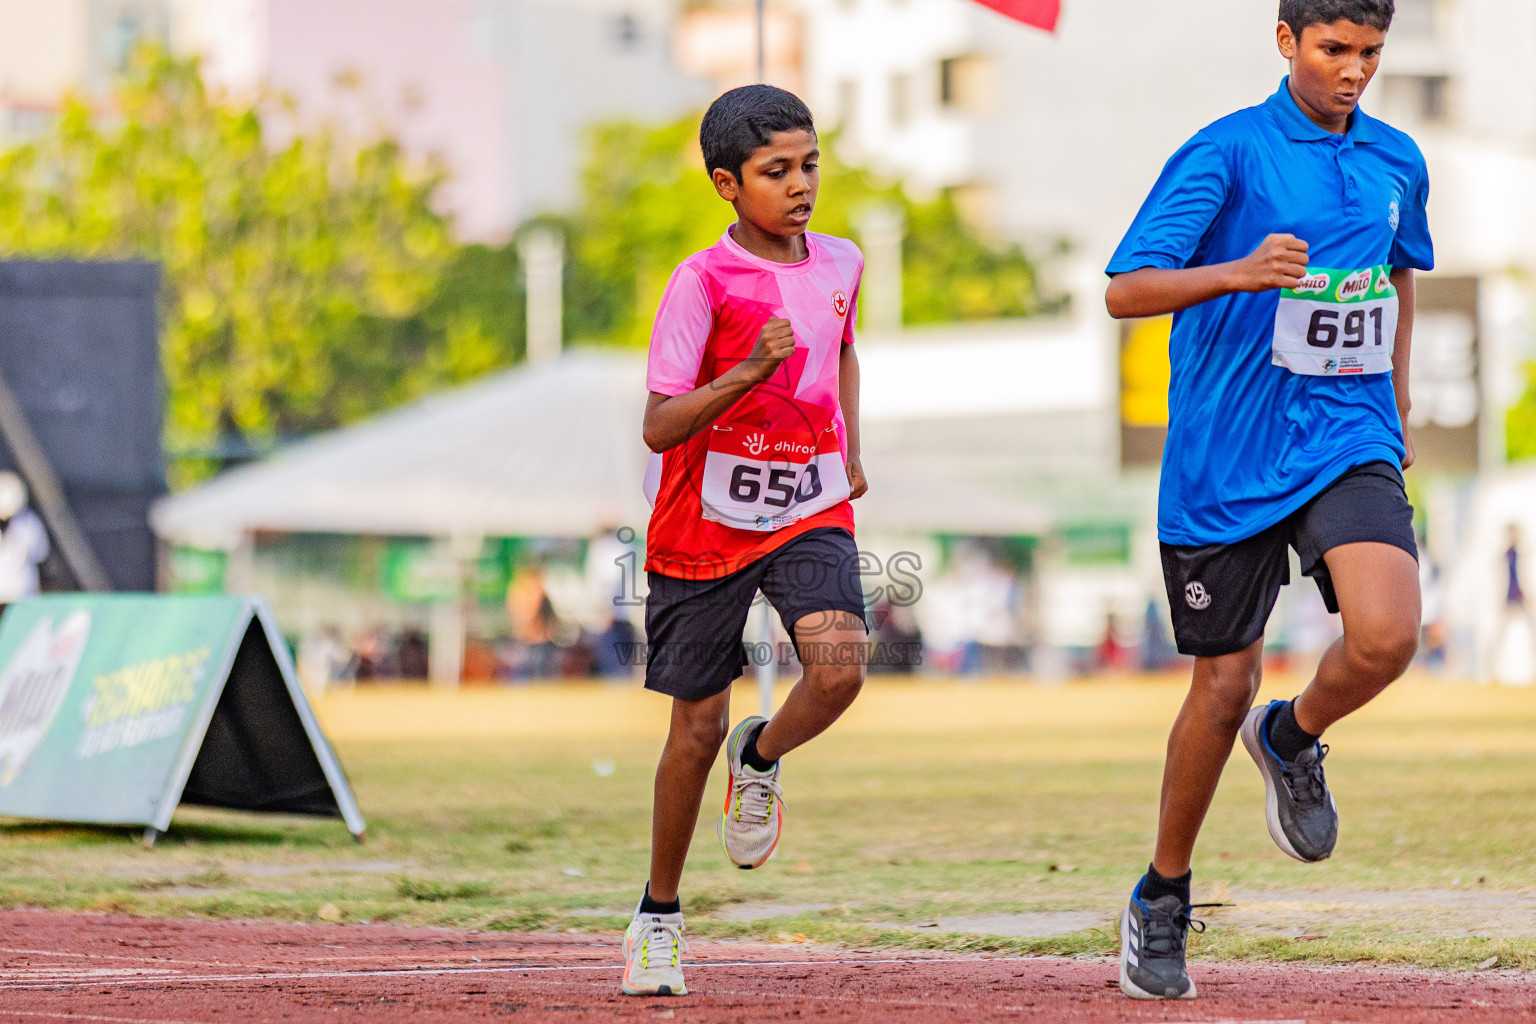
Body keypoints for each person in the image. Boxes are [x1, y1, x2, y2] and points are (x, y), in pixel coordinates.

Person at [1103, 0, 1430, 1000]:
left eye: (1371, 52)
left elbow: (1398, 274)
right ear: (1287, 42)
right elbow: (1125, 288)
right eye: (1335, 49)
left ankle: (1293, 737)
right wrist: (1240, 271)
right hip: (1227, 456)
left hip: (1346, 435)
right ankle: (1162, 895)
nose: (1354, 70)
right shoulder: (1228, 152)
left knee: (1388, 635)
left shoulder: (1397, 158)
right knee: (1221, 686)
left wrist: (1399, 399)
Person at [623, 84, 869, 997]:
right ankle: (658, 915)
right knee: (693, 730)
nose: (801, 185)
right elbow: (659, 425)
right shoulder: (701, 283)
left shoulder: (842, 260)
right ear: (728, 184)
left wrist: (850, 443)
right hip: (704, 522)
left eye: (809, 165)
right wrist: (748, 371)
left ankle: (760, 758)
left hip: (808, 501)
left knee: (840, 665)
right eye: (777, 172)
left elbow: (843, 348)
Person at [0, 472, 49, 607]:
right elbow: (41, 554)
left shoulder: (29, 523)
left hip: (22, 593)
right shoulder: (30, 523)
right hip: (22, 593)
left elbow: (40, 554)